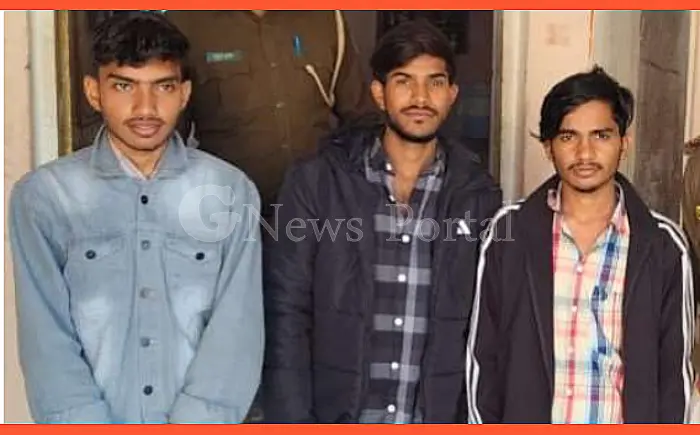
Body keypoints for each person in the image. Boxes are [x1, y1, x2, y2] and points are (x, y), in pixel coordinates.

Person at [9, 12, 264, 423]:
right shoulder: (46, 197)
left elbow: (237, 332)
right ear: (94, 92)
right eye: (124, 86)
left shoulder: (228, 192)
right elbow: (46, 341)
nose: (146, 107)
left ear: (184, 93)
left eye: (163, 86)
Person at [262, 19, 502, 423]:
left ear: (452, 94)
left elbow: (486, 330)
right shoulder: (319, 183)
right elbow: (287, 312)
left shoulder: (477, 196)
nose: (420, 97)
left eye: (435, 83)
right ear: (379, 93)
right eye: (404, 82)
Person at [466, 66, 696, 423]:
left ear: (624, 143)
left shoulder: (664, 247)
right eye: (568, 136)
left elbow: (674, 379)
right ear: (548, 147)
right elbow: (483, 360)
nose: (585, 152)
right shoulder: (508, 234)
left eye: (601, 135)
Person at [165, 10, 375, 215]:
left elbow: (361, 118)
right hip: (228, 212)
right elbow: (167, 137)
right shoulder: (184, 22)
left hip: (319, 207)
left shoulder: (326, 16)